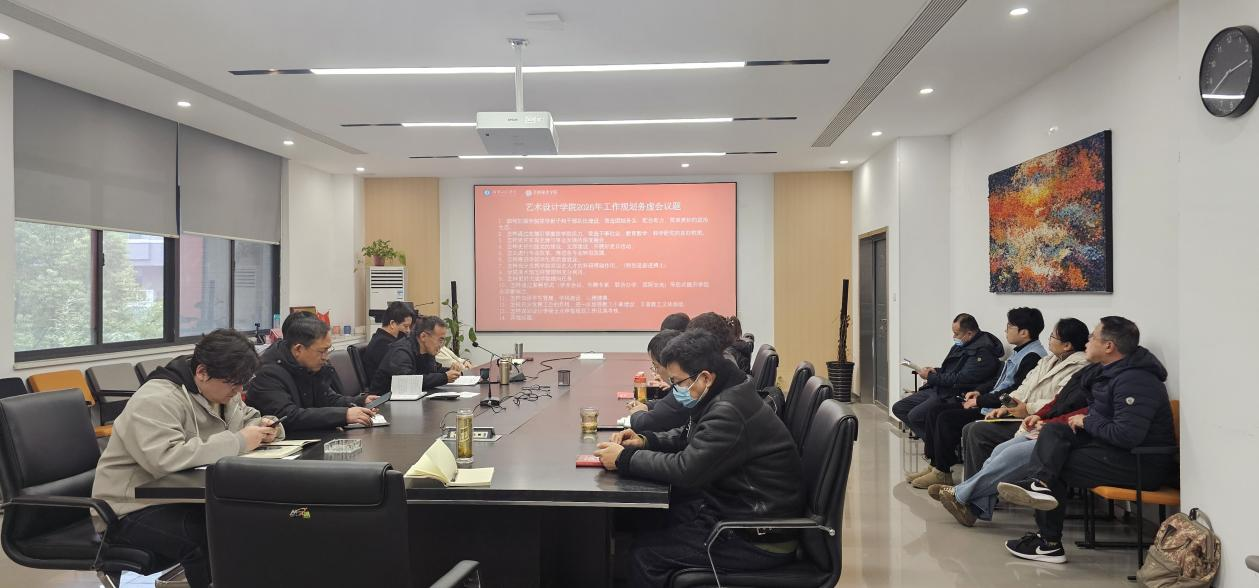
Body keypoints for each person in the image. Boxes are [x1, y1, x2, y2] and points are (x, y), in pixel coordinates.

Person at [593, 330, 802, 586]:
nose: (675, 390)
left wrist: (625, 458)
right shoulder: (725, 392)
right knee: (646, 519)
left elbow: (686, 470)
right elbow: (690, 437)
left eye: (678, 383)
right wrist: (646, 441)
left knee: (645, 555)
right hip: (736, 511)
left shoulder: (729, 411)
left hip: (755, 536)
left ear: (704, 377)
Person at [92, 329, 282, 588]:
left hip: (179, 498)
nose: (239, 390)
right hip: (128, 508)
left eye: (243, 383)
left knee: (251, 521)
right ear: (202, 372)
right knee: (210, 537)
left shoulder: (222, 390)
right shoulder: (156, 399)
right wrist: (239, 441)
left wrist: (266, 427)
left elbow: (247, 417)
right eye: (233, 383)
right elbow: (165, 458)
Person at [999, 316, 1176, 564]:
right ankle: (1039, 485)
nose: (1087, 342)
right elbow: (1097, 416)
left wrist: (1086, 422)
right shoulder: (1107, 374)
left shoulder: (1136, 380)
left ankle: (1048, 543)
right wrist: (1055, 421)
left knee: (1054, 465)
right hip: (1113, 451)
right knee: (1053, 433)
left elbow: (1127, 435)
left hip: (1141, 464)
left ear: (1109, 346)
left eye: (1092, 337)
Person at [933, 360, 1097, 527]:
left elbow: (1089, 412)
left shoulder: (1087, 368)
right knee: (1001, 449)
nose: (1088, 345)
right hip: (1049, 424)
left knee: (1006, 449)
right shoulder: (1085, 370)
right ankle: (974, 507)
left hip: (1076, 434)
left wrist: (1041, 416)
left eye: (1092, 344)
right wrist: (1036, 414)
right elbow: (1057, 401)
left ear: (1108, 347)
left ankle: (961, 495)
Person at [909, 308, 1047, 488]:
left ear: (1024, 332)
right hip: (989, 403)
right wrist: (980, 392)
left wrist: (980, 401)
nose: (1005, 330)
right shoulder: (1021, 351)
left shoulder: (1032, 357)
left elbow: (1014, 391)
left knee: (945, 418)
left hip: (1001, 411)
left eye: (1009, 326)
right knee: (935, 411)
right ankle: (935, 465)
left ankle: (942, 472)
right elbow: (999, 380)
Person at [958, 317, 1091, 479]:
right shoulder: (1047, 360)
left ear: (1067, 345)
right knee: (969, 428)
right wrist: (1006, 407)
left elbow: (1060, 402)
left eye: (1052, 336)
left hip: (1040, 421)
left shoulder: (1079, 367)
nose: (1049, 340)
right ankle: (974, 485)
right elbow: (1023, 387)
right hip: (1022, 415)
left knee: (977, 431)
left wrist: (1027, 409)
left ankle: (976, 488)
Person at [895, 313, 1002, 481]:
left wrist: (932, 377)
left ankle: (941, 456)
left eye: (956, 334)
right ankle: (937, 455)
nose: (954, 337)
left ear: (969, 333)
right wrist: (935, 371)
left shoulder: (983, 354)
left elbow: (962, 378)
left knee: (918, 415)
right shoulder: (963, 345)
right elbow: (951, 370)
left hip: (952, 393)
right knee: (900, 408)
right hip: (939, 387)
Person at [246, 315, 379, 429]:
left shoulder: (308, 365)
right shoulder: (268, 373)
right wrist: (344, 415)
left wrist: (360, 401)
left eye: (328, 350)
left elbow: (326, 398)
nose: (326, 357)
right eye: (322, 351)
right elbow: (287, 416)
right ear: (298, 349)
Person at [625, 329, 692, 433]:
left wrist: (636, 413)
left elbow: (644, 424)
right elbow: (667, 403)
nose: (656, 372)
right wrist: (647, 406)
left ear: (670, 364)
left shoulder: (686, 389)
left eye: (656, 366)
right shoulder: (685, 382)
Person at [371, 314, 460, 393]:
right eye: (440, 340)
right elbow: (408, 381)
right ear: (423, 336)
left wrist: (451, 371)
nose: (442, 345)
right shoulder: (401, 351)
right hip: (383, 401)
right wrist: (444, 377)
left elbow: (432, 371)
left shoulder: (426, 350)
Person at [361, 301, 413, 383]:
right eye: (405, 326)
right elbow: (400, 373)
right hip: (384, 389)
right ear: (392, 323)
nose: (408, 330)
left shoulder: (384, 339)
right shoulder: (381, 344)